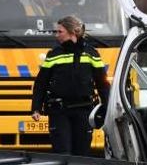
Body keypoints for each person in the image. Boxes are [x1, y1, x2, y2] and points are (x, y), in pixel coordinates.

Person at [31, 15, 111, 156]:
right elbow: (41, 83)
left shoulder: (91, 54)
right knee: (63, 153)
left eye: (60, 32)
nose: (57, 35)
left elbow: (102, 84)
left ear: (72, 32)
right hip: (59, 112)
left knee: (82, 154)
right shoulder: (54, 54)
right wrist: (36, 108)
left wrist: (108, 108)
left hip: (84, 111)